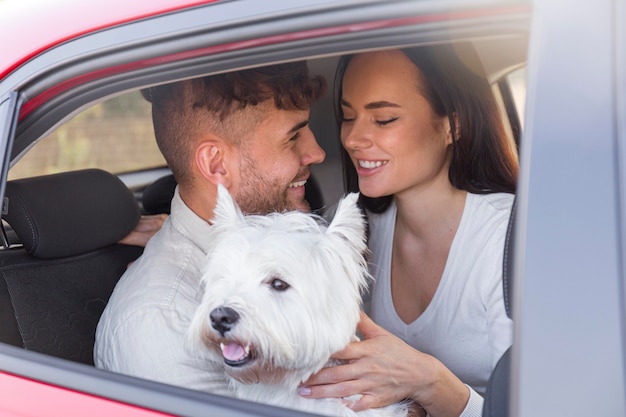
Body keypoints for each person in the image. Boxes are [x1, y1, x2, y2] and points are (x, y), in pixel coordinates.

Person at [297, 45, 518, 417]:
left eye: (383, 119)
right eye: (347, 116)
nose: (352, 139)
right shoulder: (358, 230)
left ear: (453, 125)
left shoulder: (509, 238)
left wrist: (428, 381)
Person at [95, 62, 327, 393]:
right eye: (292, 137)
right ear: (217, 164)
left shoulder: (293, 252)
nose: (316, 153)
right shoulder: (164, 323)